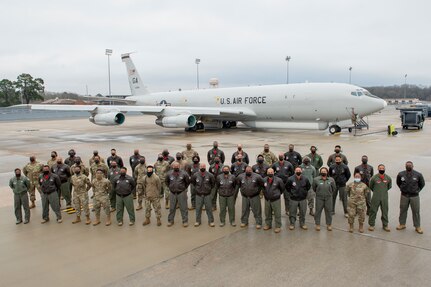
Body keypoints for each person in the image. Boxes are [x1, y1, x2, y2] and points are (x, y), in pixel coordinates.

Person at [396, 161, 425, 234]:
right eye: (407, 165)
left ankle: (417, 226)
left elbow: (422, 184)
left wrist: (417, 190)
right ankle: (402, 224)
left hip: (414, 196)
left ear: (413, 166)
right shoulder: (401, 174)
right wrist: (402, 189)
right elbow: (398, 183)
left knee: (416, 211)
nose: (409, 166)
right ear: (405, 166)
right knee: (403, 210)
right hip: (404, 195)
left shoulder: (418, 174)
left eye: (410, 165)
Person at [166, 162, 190, 227]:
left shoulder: (184, 173)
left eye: (177, 166)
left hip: (181, 192)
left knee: (183, 208)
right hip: (172, 193)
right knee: (172, 208)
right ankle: (170, 221)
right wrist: (171, 188)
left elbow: (187, 182)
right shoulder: (169, 173)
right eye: (174, 166)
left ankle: (185, 221)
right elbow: (167, 182)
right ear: (172, 166)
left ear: (179, 166)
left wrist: (183, 188)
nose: (176, 167)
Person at [368, 164, 392, 232]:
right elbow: (371, 186)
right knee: (373, 210)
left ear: (385, 169)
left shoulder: (388, 178)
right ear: (378, 169)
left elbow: (389, 186)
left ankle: (385, 225)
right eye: (380, 168)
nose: (381, 169)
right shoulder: (374, 178)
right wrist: (376, 192)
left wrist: (383, 191)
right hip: (376, 196)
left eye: (383, 168)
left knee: (385, 211)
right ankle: (371, 225)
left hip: (384, 197)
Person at [262, 168, 285, 233]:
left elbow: (282, 188)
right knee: (267, 213)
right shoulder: (264, 180)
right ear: (267, 173)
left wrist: (277, 194)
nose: (270, 173)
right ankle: (268, 225)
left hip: (276, 200)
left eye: (271, 172)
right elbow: (262, 188)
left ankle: (278, 226)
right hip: (267, 199)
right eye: (269, 172)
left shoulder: (278, 180)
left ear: (274, 172)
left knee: (277, 213)